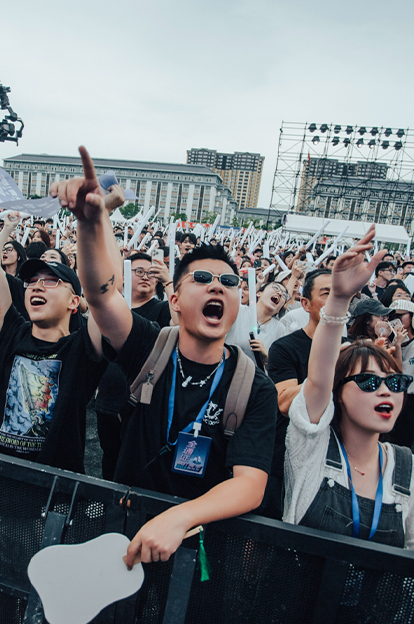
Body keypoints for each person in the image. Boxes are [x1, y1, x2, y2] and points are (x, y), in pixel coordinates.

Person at [54, 147, 277, 567]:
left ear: (238, 301)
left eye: (229, 282)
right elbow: (102, 296)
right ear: (174, 299)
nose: (217, 286)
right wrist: (89, 224)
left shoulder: (253, 386)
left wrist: (180, 517)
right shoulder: (150, 346)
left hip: (198, 550)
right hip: (127, 535)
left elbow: (250, 484)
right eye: (202, 278)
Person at [283, 226, 414, 548]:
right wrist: (339, 300)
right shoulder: (311, 446)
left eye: (394, 381)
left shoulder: (407, 467)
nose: (385, 391)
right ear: (337, 393)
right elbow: (318, 379)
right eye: (368, 381)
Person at [266, 269, 332, 518]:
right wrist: (326, 374)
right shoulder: (285, 347)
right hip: (287, 458)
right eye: (326, 293)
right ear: (305, 304)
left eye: (340, 294)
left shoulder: (352, 350)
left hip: (331, 459)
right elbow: (284, 402)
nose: (335, 300)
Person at [226, 281, 287, 367]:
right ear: (259, 293)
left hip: (255, 374)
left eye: (284, 295)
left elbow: (281, 365)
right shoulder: (238, 311)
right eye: (276, 288)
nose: (279, 293)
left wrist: (267, 355)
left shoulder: (281, 330)